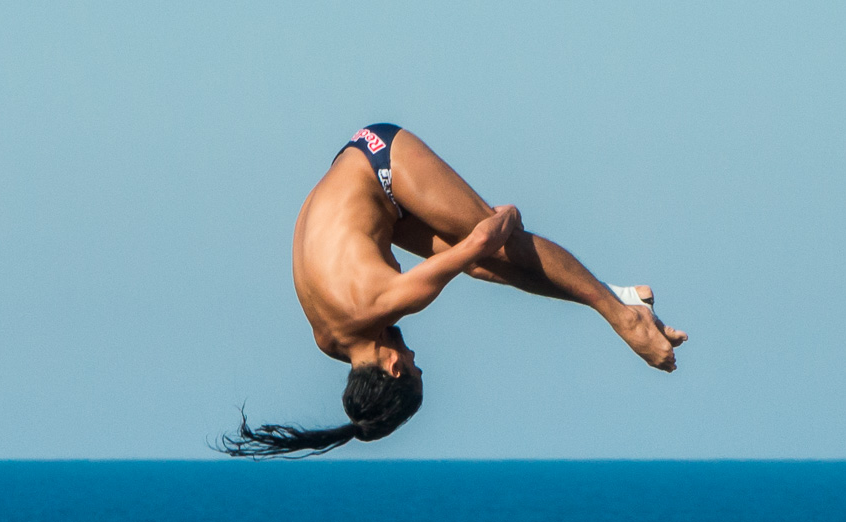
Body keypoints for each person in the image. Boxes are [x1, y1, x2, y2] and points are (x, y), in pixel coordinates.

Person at [219, 124, 687, 458]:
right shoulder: (331, 342)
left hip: (381, 161)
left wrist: (506, 215)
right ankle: (623, 297)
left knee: (501, 245)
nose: (416, 355)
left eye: (416, 368)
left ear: (394, 370)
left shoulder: (382, 301)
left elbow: (486, 237)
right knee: (483, 270)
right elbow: (475, 265)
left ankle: (625, 320)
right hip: (357, 181)